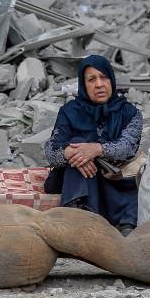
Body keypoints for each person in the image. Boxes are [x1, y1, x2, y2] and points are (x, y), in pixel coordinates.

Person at [43, 55, 143, 235]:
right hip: (77, 180)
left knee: (81, 149)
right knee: (75, 146)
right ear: (83, 84)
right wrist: (71, 153)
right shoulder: (70, 111)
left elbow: (127, 147)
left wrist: (96, 149)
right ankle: (79, 210)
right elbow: (51, 149)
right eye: (91, 79)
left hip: (114, 178)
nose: (99, 84)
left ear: (111, 80)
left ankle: (95, 218)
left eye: (103, 77)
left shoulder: (129, 113)